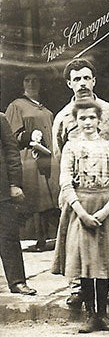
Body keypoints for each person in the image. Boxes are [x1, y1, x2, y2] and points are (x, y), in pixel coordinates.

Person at [53, 99, 109, 333]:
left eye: (92, 118)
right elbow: (65, 182)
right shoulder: (71, 147)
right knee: (86, 263)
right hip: (81, 208)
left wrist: (106, 209)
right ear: (76, 121)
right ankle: (91, 315)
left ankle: (104, 316)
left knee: (105, 262)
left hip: (107, 206)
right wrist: (82, 212)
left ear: (99, 120)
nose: (87, 122)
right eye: (82, 118)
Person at [51, 57, 109, 309]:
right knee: (77, 241)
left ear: (94, 80)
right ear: (69, 83)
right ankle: (78, 287)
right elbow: (59, 155)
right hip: (77, 190)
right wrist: (64, 192)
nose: (82, 83)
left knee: (104, 239)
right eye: (76, 79)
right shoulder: (63, 117)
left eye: (86, 78)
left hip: (104, 189)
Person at [5, 73, 60, 250]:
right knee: (35, 198)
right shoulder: (17, 106)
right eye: (27, 80)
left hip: (47, 159)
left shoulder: (46, 110)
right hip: (29, 159)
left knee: (50, 197)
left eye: (36, 80)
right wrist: (29, 136)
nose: (31, 83)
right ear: (21, 83)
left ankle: (49, 238)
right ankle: (35, 238)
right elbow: (10, 136)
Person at [1, 114, 35, 296]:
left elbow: (12, 153)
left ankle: (17, 282)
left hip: (1, 192)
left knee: (8, 237)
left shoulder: (0, 119)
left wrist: (14, 184)